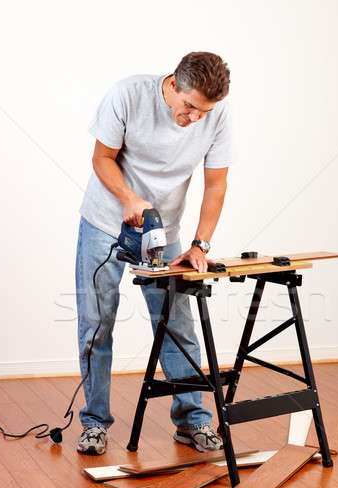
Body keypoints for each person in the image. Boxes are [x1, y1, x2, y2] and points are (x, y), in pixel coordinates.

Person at [76, 51, 237, 455]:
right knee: (96, 324)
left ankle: (193, 421)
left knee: (177, 325)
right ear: (172, 85)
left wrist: (200, 243)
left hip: (164, 231)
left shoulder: (217, 115)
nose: (195, 117)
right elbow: (102, 158)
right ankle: (94, 423)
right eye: (189, 107)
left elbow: (215, 184)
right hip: (106, 221)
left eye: (205, 110)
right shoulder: (128, 95)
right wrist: (129, 199)